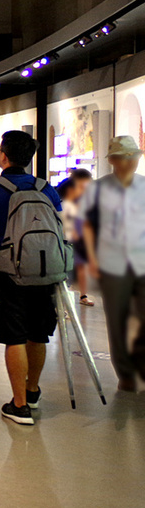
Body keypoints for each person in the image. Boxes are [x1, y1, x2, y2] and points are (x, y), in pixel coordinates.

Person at [0, 130, 63, 425]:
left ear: (3, 155)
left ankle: (19, 405)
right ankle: (32, 392)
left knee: (14, 336)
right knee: (39, 333)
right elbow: (61, 228)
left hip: (8, 270)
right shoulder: (47, 188)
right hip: (45, 270)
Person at [81, 137, 145, 392]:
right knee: (116, 319)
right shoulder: (98, 189)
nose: (131, 161)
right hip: (112, 263)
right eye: (124, 156)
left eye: (133, 156)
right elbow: (86, 225)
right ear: (112, 160)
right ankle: (125, 372)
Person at [59, 169, 94, 306]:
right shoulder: (65, 204)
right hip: (66, 240)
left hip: (78, 239)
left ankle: (82, 296)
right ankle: (64, 305)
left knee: (81, 267)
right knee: (66, 272)